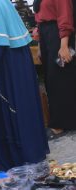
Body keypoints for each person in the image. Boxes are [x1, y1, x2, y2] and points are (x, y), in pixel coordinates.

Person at [0, 0, 49, 171]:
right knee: (23, 107)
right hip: (17, 62)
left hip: (5, 68)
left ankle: (14, 161)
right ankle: (31, 154)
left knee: (6, 110)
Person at [34, 0, 76, 140]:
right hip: (46, 37)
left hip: (58, 36)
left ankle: (60, 124)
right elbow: (39, 22)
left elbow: (65, 16)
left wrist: (64, 45)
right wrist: (40, 46)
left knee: (60, 78)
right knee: (50, 79)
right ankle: (60, 121)